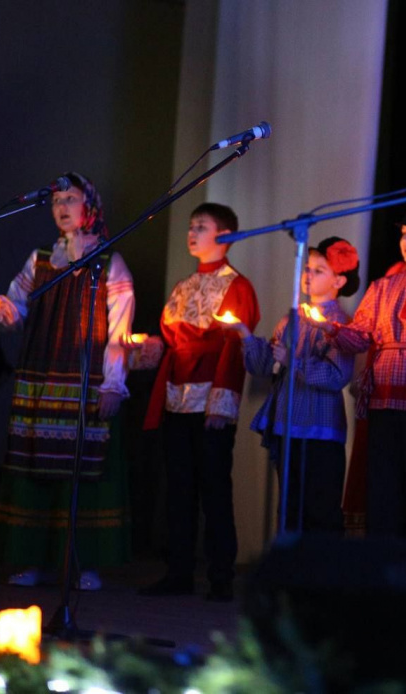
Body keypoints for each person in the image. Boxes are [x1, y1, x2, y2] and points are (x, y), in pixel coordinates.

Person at [0, 172, 135, 591]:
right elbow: (17, 311)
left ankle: (83, 563)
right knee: (35, 465)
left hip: (84, 377)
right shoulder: (40, 259)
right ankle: (33, 559)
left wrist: (113, 384)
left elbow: (119, 330)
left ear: (90, 207)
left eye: (71, 199)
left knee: (81, 469)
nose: (62, 207)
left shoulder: (109, 263)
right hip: (41, 375)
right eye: (56, 201)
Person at [313, 200, 406, 537]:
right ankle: (380, 570)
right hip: (383, 400)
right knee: (383, 488)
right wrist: (331, 329)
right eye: (404, 235)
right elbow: (361, 336)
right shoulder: (384, 286)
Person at [134, 202, 259, 602]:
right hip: (176, 398)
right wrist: (140, 348)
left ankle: (221, 575)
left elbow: (233, 350)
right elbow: (170, 342)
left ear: (223, 236)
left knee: (214, 489)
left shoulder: (236, 286)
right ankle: (179, 571)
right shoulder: (184, 286)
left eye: (201, 227)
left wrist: (221, 406)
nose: (192, 233)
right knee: (179, 489)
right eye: (191, 226)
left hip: (209, 404)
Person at [225, 236, 359, 534]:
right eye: (307, 268)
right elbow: (264, 366)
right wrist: (244, 334)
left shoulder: (341, 325)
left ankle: (320, 578)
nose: (307, 275)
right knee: (289, 507)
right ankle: (289, 574)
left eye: (318, 270)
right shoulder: (291, 320)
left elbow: (337, 375)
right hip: (288, 425)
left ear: (339, 281)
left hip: (320, 429)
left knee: (320, 508)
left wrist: (293, 362)